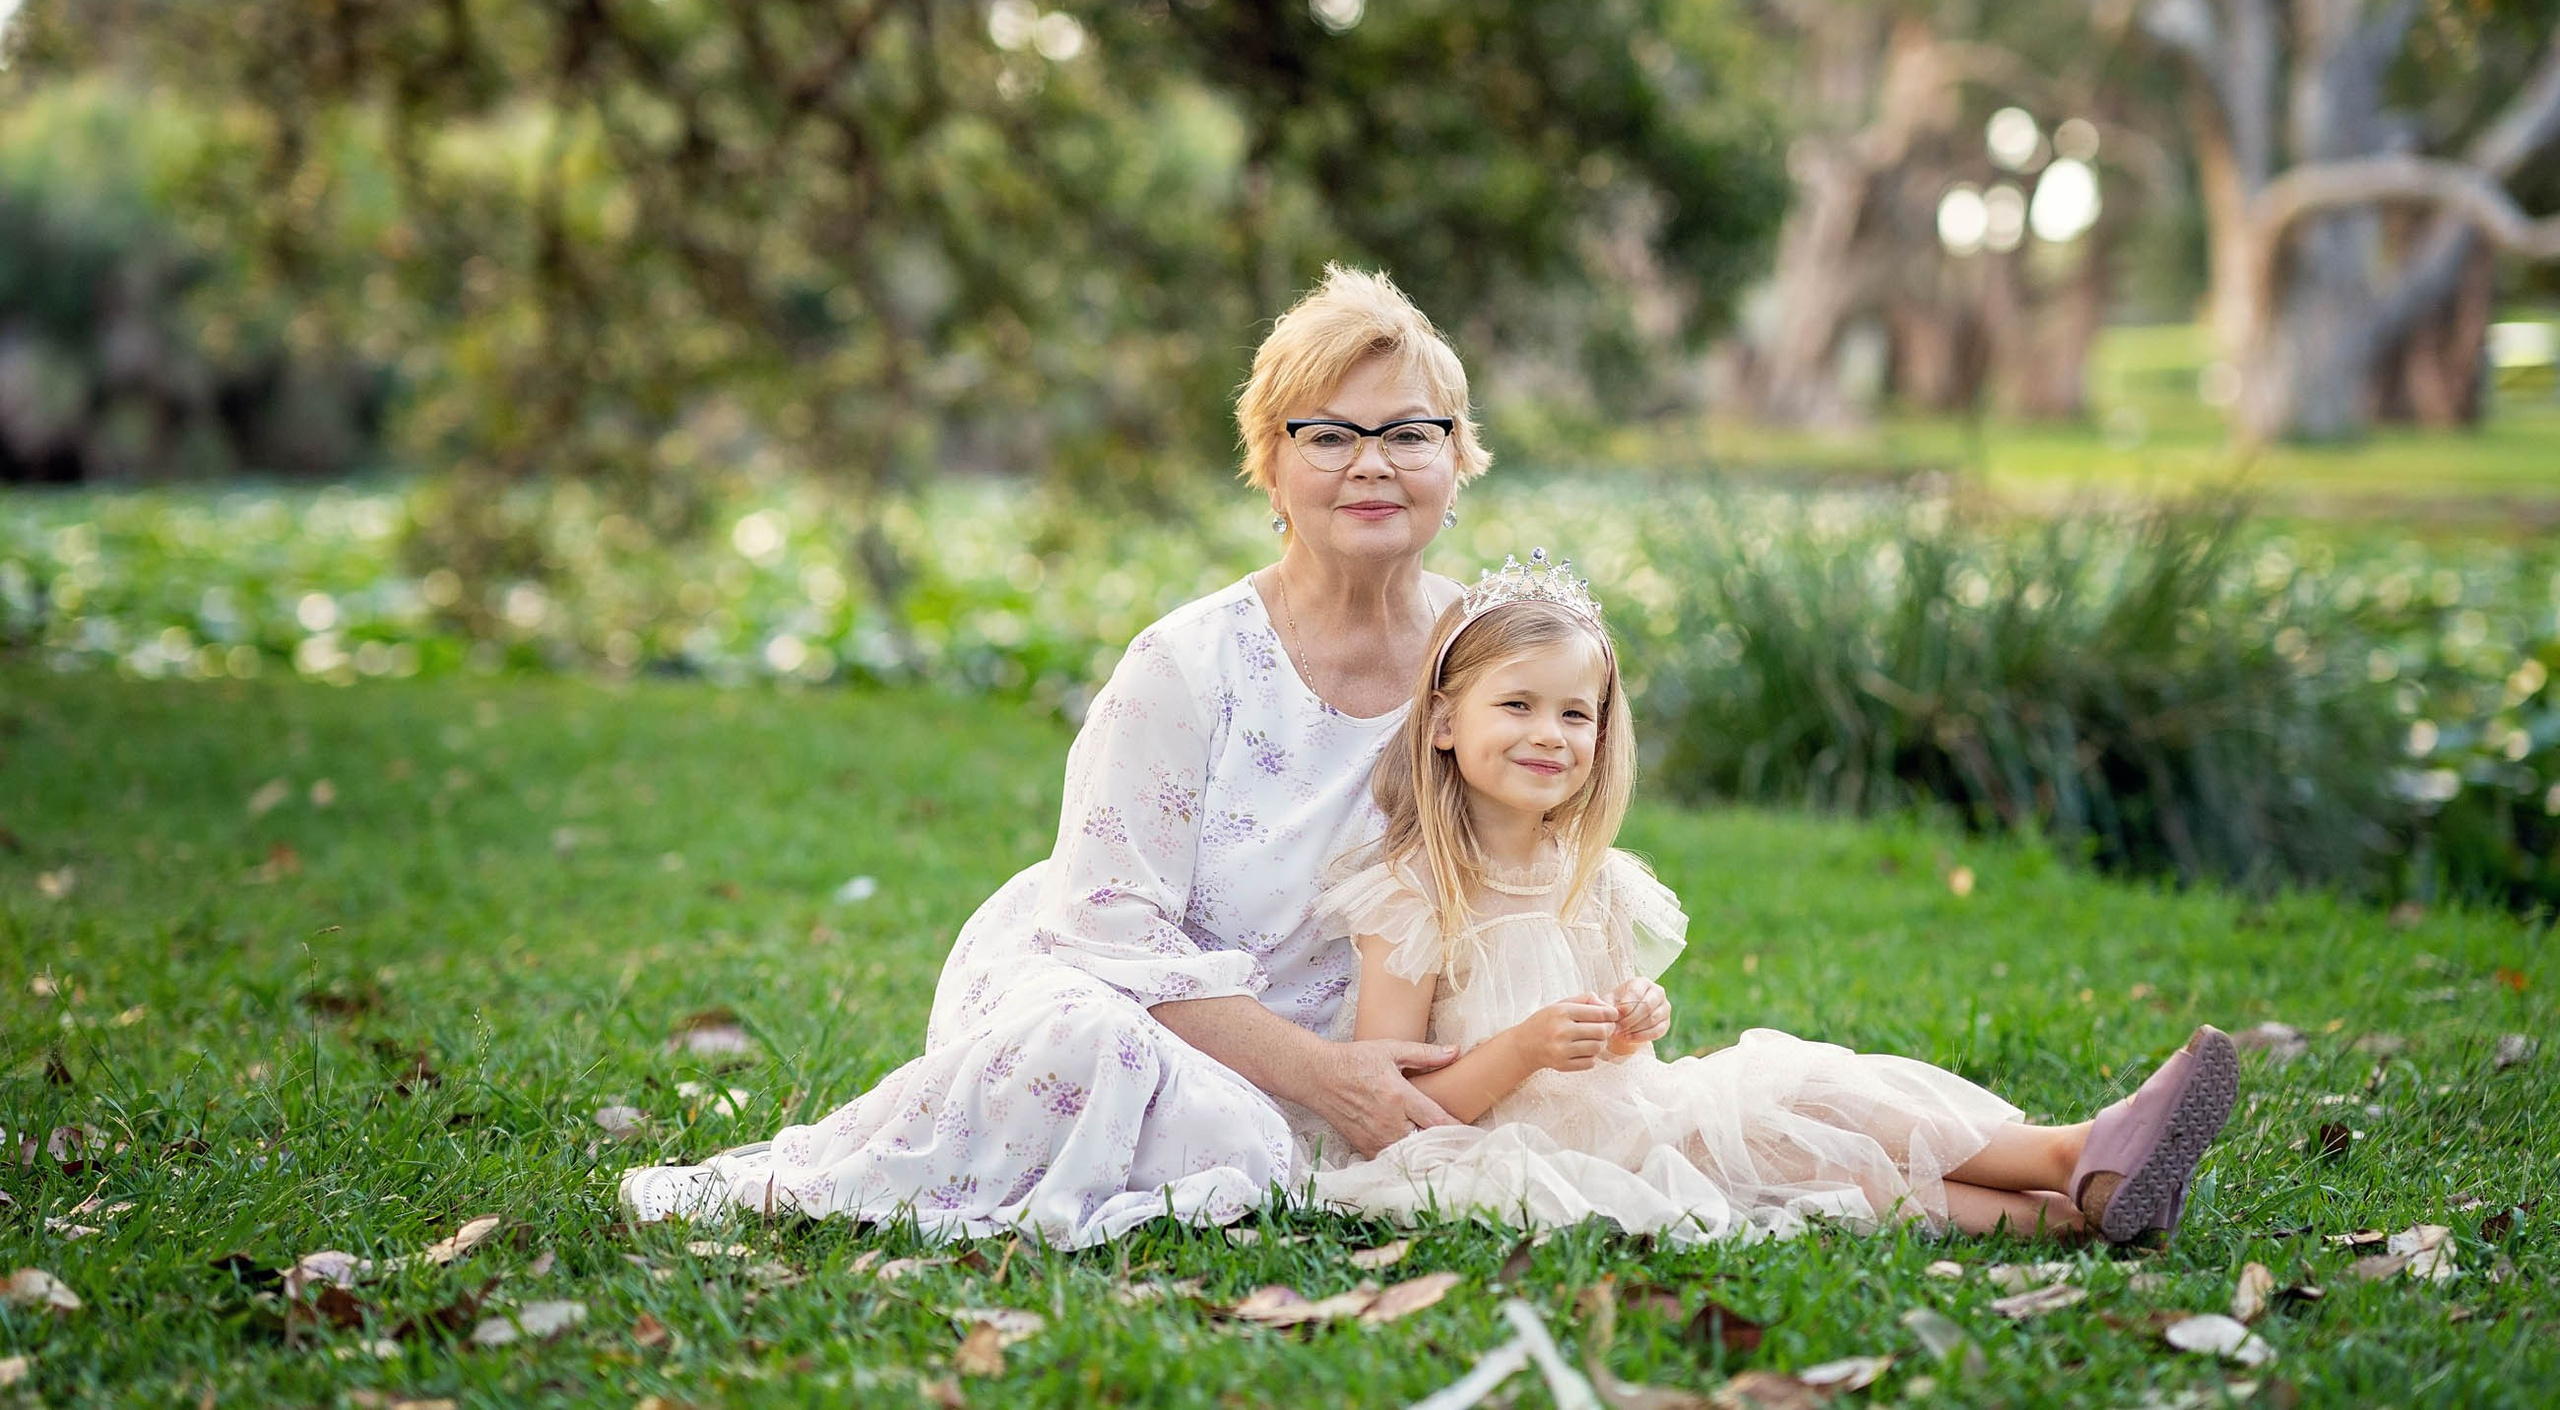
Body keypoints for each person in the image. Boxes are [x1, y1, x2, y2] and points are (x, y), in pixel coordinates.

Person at [620, 265, 1493, 1245]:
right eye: (1328, 434)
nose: (1372, 463)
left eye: (1410, 432)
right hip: (1136, 1002)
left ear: (1457, 458)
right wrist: (1323, 1076)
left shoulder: (1492, 656)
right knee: (1100, 1055)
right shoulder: (1188, 663)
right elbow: (1109, 928)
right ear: (1272, 467)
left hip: (1374, 1041)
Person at [1306, 552, 2240, 1244]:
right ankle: (2071, 1205)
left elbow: (1630, 1060)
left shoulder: (1594, 880)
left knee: (1812, 1093)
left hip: (1637, 1115)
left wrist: (1634, 1021)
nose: (1548, 734)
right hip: (1514, 1154)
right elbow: (1397, 1114)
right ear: (1441, 721)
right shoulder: (1410, 896)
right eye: (1516, 705)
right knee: (1809, 1168)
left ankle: (2071, 1161)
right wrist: (1521, 1049)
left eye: (1575, 712)